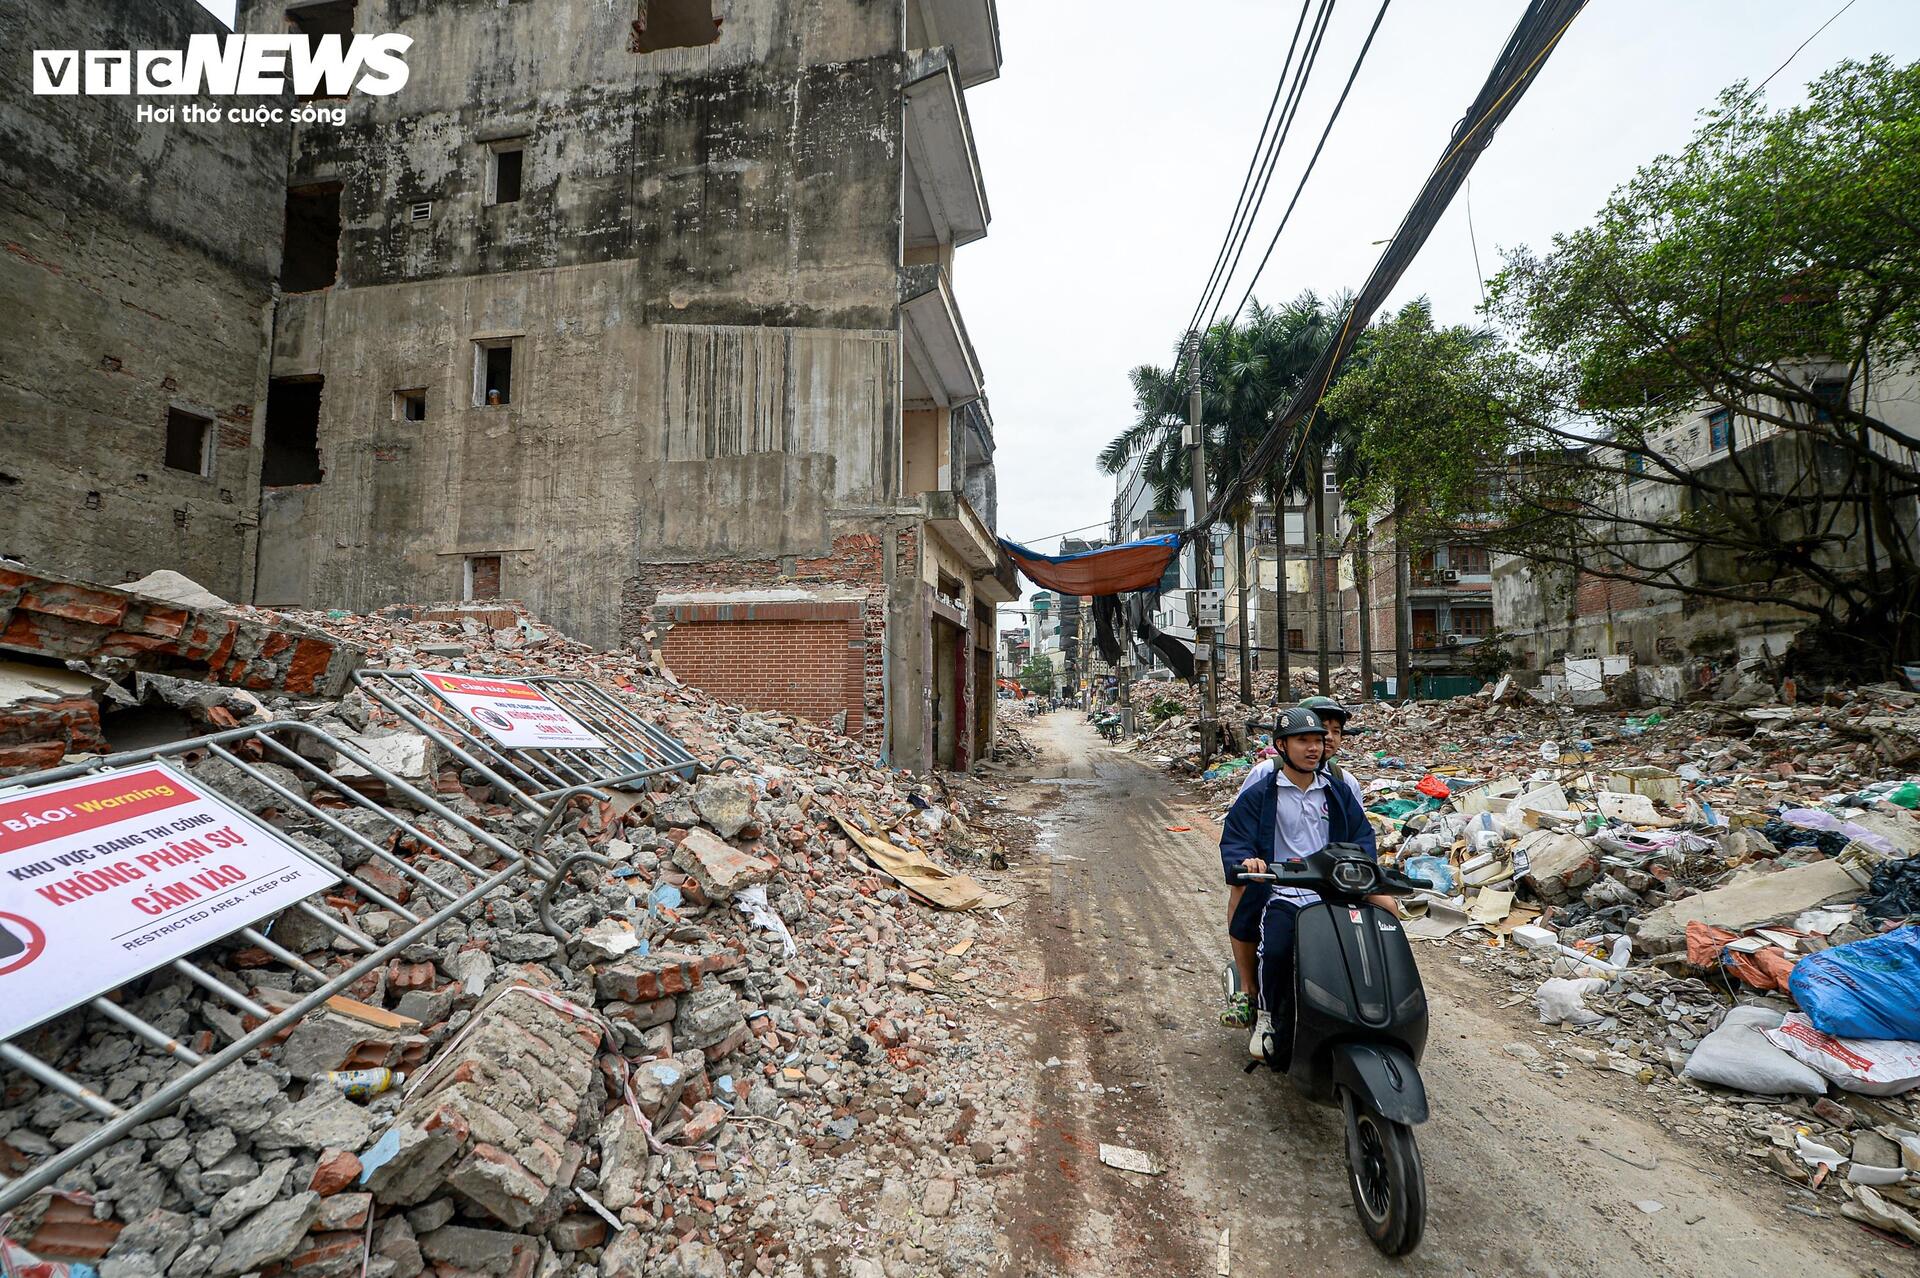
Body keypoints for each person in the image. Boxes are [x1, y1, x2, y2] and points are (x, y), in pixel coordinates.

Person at [1219, 706, 1393, 1062]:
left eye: (1318, 740)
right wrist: (1249, 861)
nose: (1314, 748)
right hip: (1281, 891)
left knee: (1380, 926)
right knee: (1277, 948)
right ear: (1282, 745)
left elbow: (1362, 837)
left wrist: (1360, 867)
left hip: (1330, 891)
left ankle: (1380, 1004)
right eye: (1303, 741)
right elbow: (1236, 838)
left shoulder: (1337, 792)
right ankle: (1266, 1016)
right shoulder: (1262, 792)